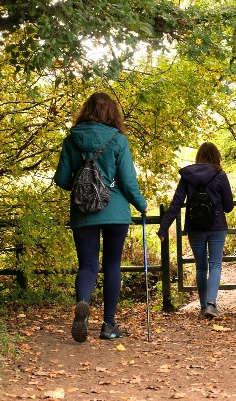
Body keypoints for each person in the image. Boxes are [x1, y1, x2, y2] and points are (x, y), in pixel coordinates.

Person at [54, 92, 147, 342]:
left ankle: (83, 308)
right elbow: (127, 181)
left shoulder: (71, 140)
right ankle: (108, 325)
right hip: (115, 211)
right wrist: (141, 204)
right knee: (112, 266)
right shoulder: (118, 140)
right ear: (112, 113)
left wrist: (82, 186)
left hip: (83, 212)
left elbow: (61, 179)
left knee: (88, 266)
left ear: (86, 110)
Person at [157, 142, 233, 318]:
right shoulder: (220, 176)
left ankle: (202, 306)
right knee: (215, 265)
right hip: (217, 227)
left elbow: (176, 204)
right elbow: (228, 207)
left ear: (199, 156)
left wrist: (163, 228)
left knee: (201, 267)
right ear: (216, 156)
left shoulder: (187, 176)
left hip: (195, 227)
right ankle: (211, 305)